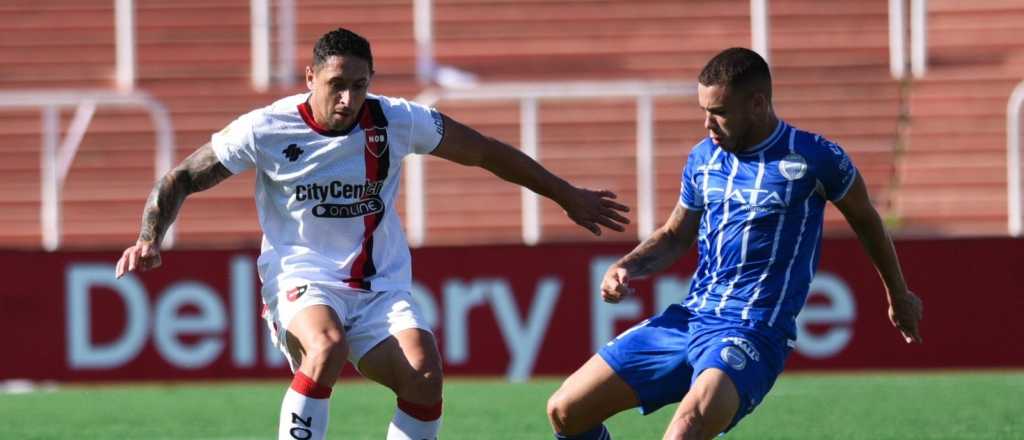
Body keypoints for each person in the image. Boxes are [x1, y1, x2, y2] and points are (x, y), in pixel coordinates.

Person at [114, 27, 630, 440]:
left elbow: (487, 152)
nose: (347, 98)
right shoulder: (266, 129)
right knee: (326, 346)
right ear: (310, 76)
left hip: (379, 287)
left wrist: (567, 195)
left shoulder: (396, 120)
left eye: (359, 85)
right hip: (302, 278)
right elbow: (181, 176)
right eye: (336, 84)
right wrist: (149, 237)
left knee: (424, 375)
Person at [545, 47, 924, 440]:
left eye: (720, 112)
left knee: (685, 429)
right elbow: (675, 234)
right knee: (565, 411)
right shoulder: (703, 158)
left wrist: (898, 294)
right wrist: (625, 266)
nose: (708, 123)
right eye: (704, 111)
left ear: (758, 104)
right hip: (690, 319)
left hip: (755, 330)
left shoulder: (814, 157)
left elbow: (866, 219)